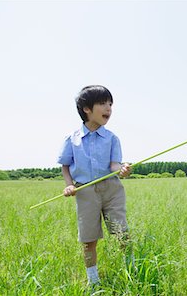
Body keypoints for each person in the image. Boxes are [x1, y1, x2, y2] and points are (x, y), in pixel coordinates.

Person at [57, 85, 132, 286]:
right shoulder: (72, 139)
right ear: (87, 109)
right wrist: (69, 185)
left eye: (110, 104)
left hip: (112, 189)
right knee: (89, 238)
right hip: (85, 191)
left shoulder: (112, 138)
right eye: (103, 103)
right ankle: (93, 280)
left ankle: (131, 270)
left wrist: (122, 169)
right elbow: (65, 165)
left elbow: (114, 165)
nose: (108, 108)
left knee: (121, 231)